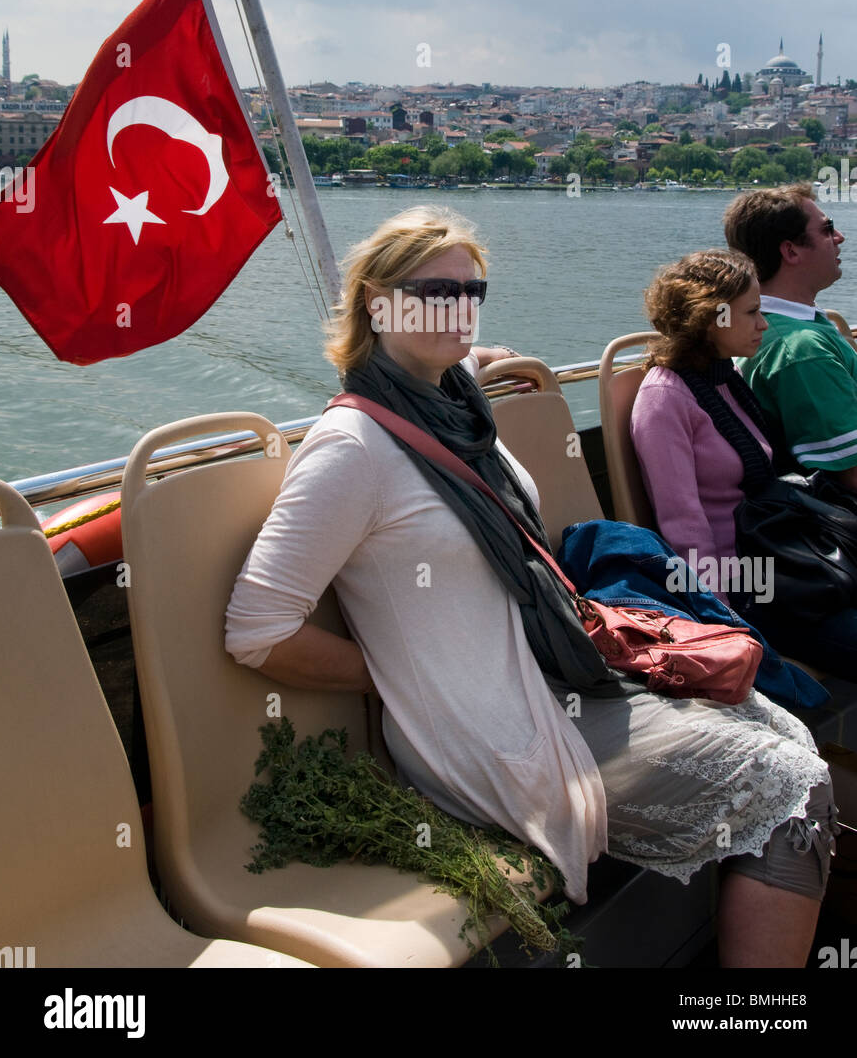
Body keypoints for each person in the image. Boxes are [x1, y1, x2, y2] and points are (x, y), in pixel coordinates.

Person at [226, 207, 835, 968]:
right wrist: (405, 679)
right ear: (376, 303)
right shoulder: (351, 448)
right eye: (433, 292)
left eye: (470, 291)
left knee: (784, 731)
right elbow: (257, 628)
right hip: (487, 726)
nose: (459, 309)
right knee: (788, 789)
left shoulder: (455, 407)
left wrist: (477, 360)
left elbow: (457, 377)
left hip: (557, 674)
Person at [630, 249, 772, 603]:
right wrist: (724, 619)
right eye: (752, 312)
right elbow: (684, 527)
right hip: (742, 583)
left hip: (773, 556)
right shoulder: (666, 397)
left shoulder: (727, 376)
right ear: (713, 318)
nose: (763, 323)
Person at [723, 183, 857, 489]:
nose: (840, 237)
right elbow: (851, 474)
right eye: (827, 229)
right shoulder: (800, 349)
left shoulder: (777, 327)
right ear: (791, 251)